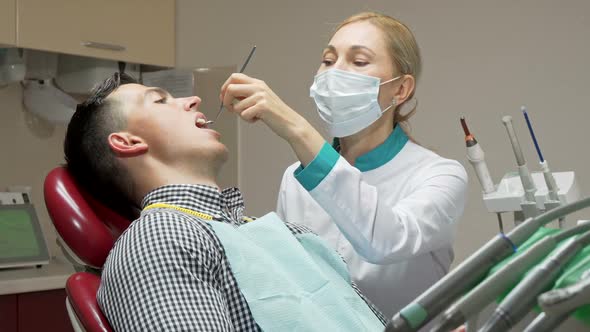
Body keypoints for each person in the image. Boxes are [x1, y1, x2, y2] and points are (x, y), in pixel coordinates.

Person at [63, 72, 387, 332]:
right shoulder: (159, 241)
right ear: (128, 142)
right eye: (160, 100)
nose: (193, 100)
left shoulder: (289, 234)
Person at [219, 11, 468, 317]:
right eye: (328, 60)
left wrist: (296, 128)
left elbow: (384, 241)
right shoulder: (296, 178)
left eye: (359, 61)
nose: (334, 73)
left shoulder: (439, 175)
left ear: (401, 89)